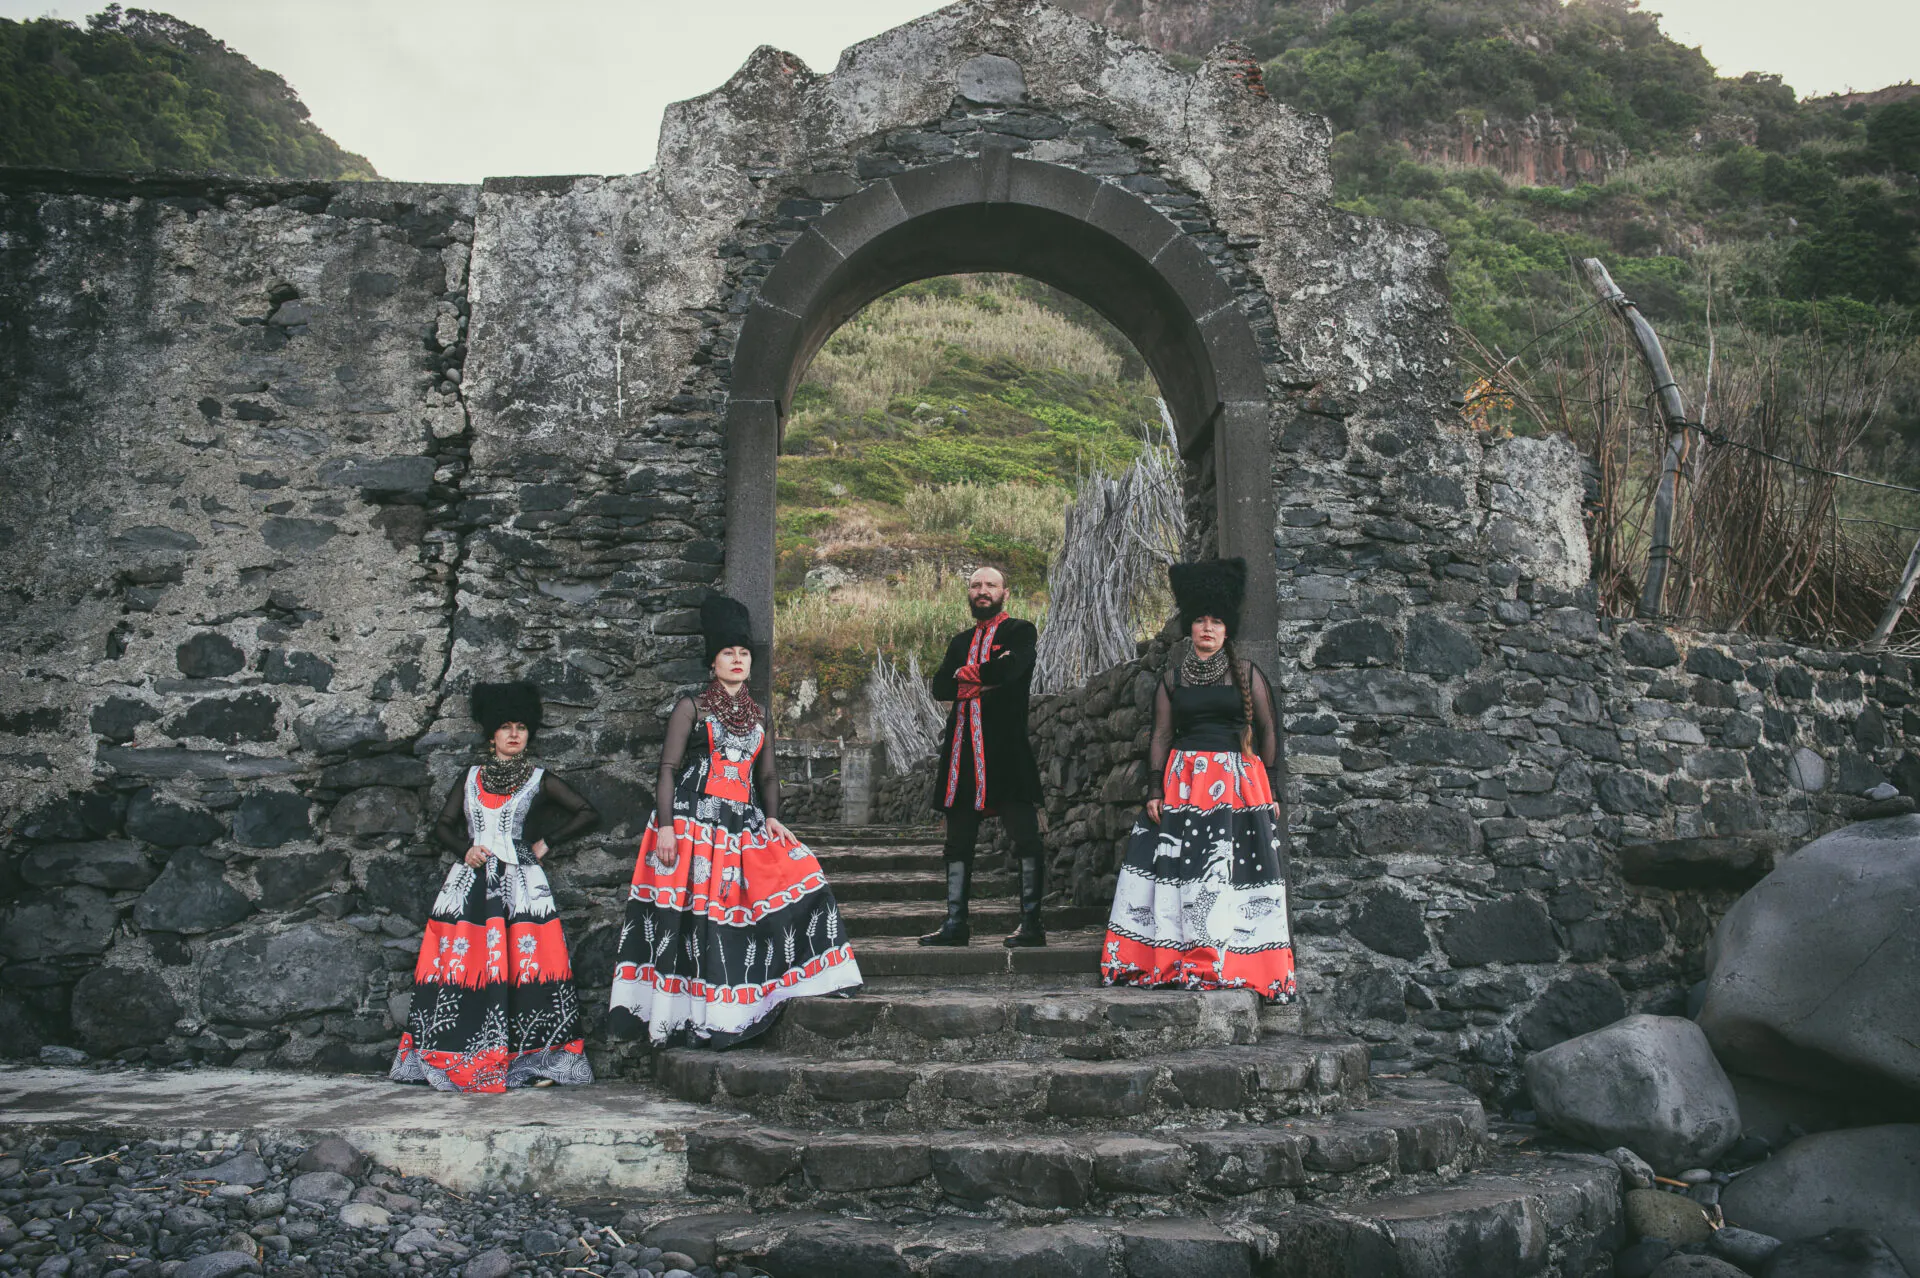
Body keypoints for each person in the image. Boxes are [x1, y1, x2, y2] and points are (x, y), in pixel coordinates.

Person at [608, 593, 862, 1048]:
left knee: (799, 875)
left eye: (744, 653)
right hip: (690, 821)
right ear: (714, 662)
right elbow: (667, 768)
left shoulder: (759, 716)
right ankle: (683, 1016)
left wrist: (772, 819)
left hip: (740, 824)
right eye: (729, 653)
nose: (738, 660)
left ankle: (745, 1001)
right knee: (689, 921)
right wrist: (665, 825)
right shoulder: (693, 707)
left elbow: (767, 775)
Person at [1100, 557, 1295, 1001]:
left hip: (1237, 783)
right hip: (1184, 782)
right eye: (1201, 621)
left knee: (1233, 871)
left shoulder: (1246, 674)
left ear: (1227, 630)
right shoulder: (1171, 680)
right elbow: (1163, 734)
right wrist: (1153, 788)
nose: (1208, 628)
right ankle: (1176, 955)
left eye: (1216, 622)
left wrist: (1271, 786)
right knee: (1184, 872)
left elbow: (1268, 729)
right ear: (1191, 627)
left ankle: (1236, 959)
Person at [391, 681, 599, 1091]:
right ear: (492, 734)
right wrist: (465, 850)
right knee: (464, 969)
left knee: (529, 968)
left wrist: (544, 844)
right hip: (471, 885)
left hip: (521, 886)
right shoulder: (469, 778)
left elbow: (586, 812)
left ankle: (534, 1061)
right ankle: (457, 1053)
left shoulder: (540, 779)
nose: (514, 734)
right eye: (506, 726)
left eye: (521, 726)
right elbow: (443, 827)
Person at [922, 565, 1048, 948]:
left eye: (990, 585)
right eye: (976, 585)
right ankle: (956, 924)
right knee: (957, 843)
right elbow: (939, 685)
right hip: (962, 753)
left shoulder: (1020, 632)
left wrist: (967, 676)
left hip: (1006, 752)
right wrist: (982, 679)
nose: (982, 591)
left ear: (1004, 593)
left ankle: (1032, 925)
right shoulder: (959, 641)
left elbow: (1012, 671)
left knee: (1026, 838)